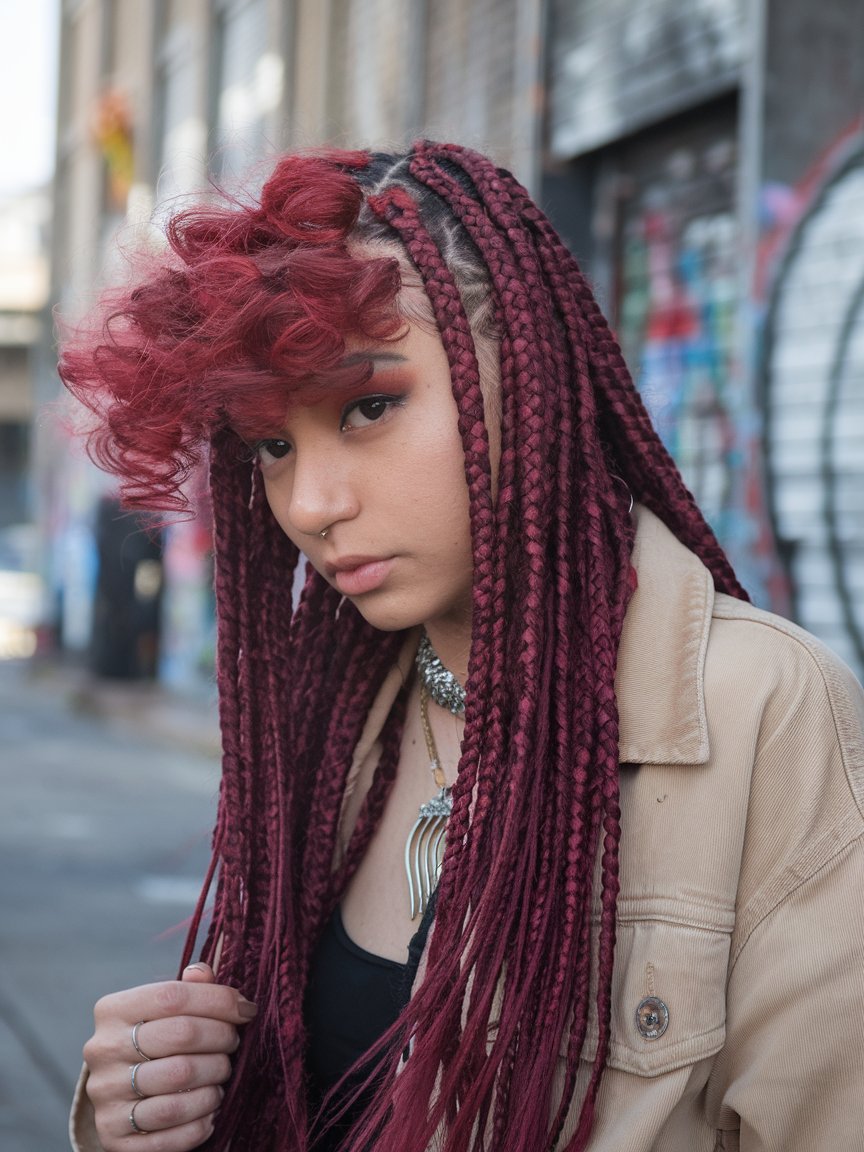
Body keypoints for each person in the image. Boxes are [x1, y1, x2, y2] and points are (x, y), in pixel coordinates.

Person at [60, 142, 864, 1152]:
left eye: (370, 406)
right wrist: (146, 1107)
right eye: (274, 446)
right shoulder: (343, 713)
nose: (311, 504)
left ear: (524, 379)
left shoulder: (764, 711)